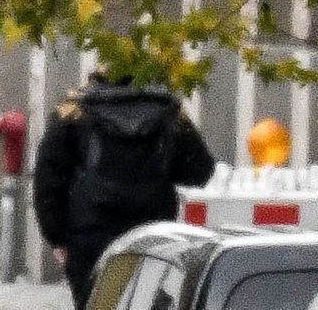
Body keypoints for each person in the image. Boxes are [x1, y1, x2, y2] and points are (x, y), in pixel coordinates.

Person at [30, 76, 210, 290]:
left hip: (89, 233)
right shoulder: (169, 112)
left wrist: (57, 237)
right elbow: (200, 171)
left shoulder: (74, 111)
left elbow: (49, 181)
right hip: (152, 233)